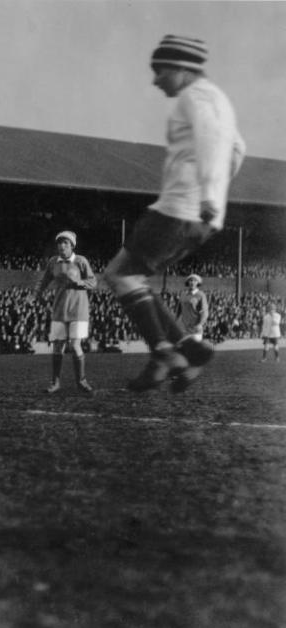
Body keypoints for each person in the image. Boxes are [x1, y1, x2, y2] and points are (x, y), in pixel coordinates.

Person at [103, 35, 245, 393]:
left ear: (182, 68)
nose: (155, 80)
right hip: (198, 215)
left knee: (120, 276)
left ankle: (165, 352)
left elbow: (213, 140)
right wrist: (216, 196)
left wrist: (208, 195)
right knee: (133, 278)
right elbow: (237, 148)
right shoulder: (217, 98)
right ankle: (188, 350)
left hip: (179, 210)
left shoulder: (194, 97)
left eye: (159, 70)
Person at [35, 231, 97, 393]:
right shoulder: (53, 262)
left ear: (72, 246)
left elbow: (93, 282)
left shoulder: (81, 261)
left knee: (75, 344)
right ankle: (55, 383)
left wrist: (79, 282)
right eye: (59, 243)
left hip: (78, 309)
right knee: (58, 346)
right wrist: (37, 294)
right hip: (59, 309)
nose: (61, 246)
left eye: (65, 243)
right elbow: (44, 280)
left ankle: (81, 381)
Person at [177, 274, 208, 342]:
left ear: (198, 283)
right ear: (188, 282)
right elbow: (178, 310)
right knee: (184, 351)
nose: (192, 282)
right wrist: (175, 322)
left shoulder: (201, 295)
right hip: (184, 329)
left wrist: (200, 324)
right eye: (190, 280)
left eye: (194, 280)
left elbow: (205, 312)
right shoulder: (183, 294)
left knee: (195, 351)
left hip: (195, 329)